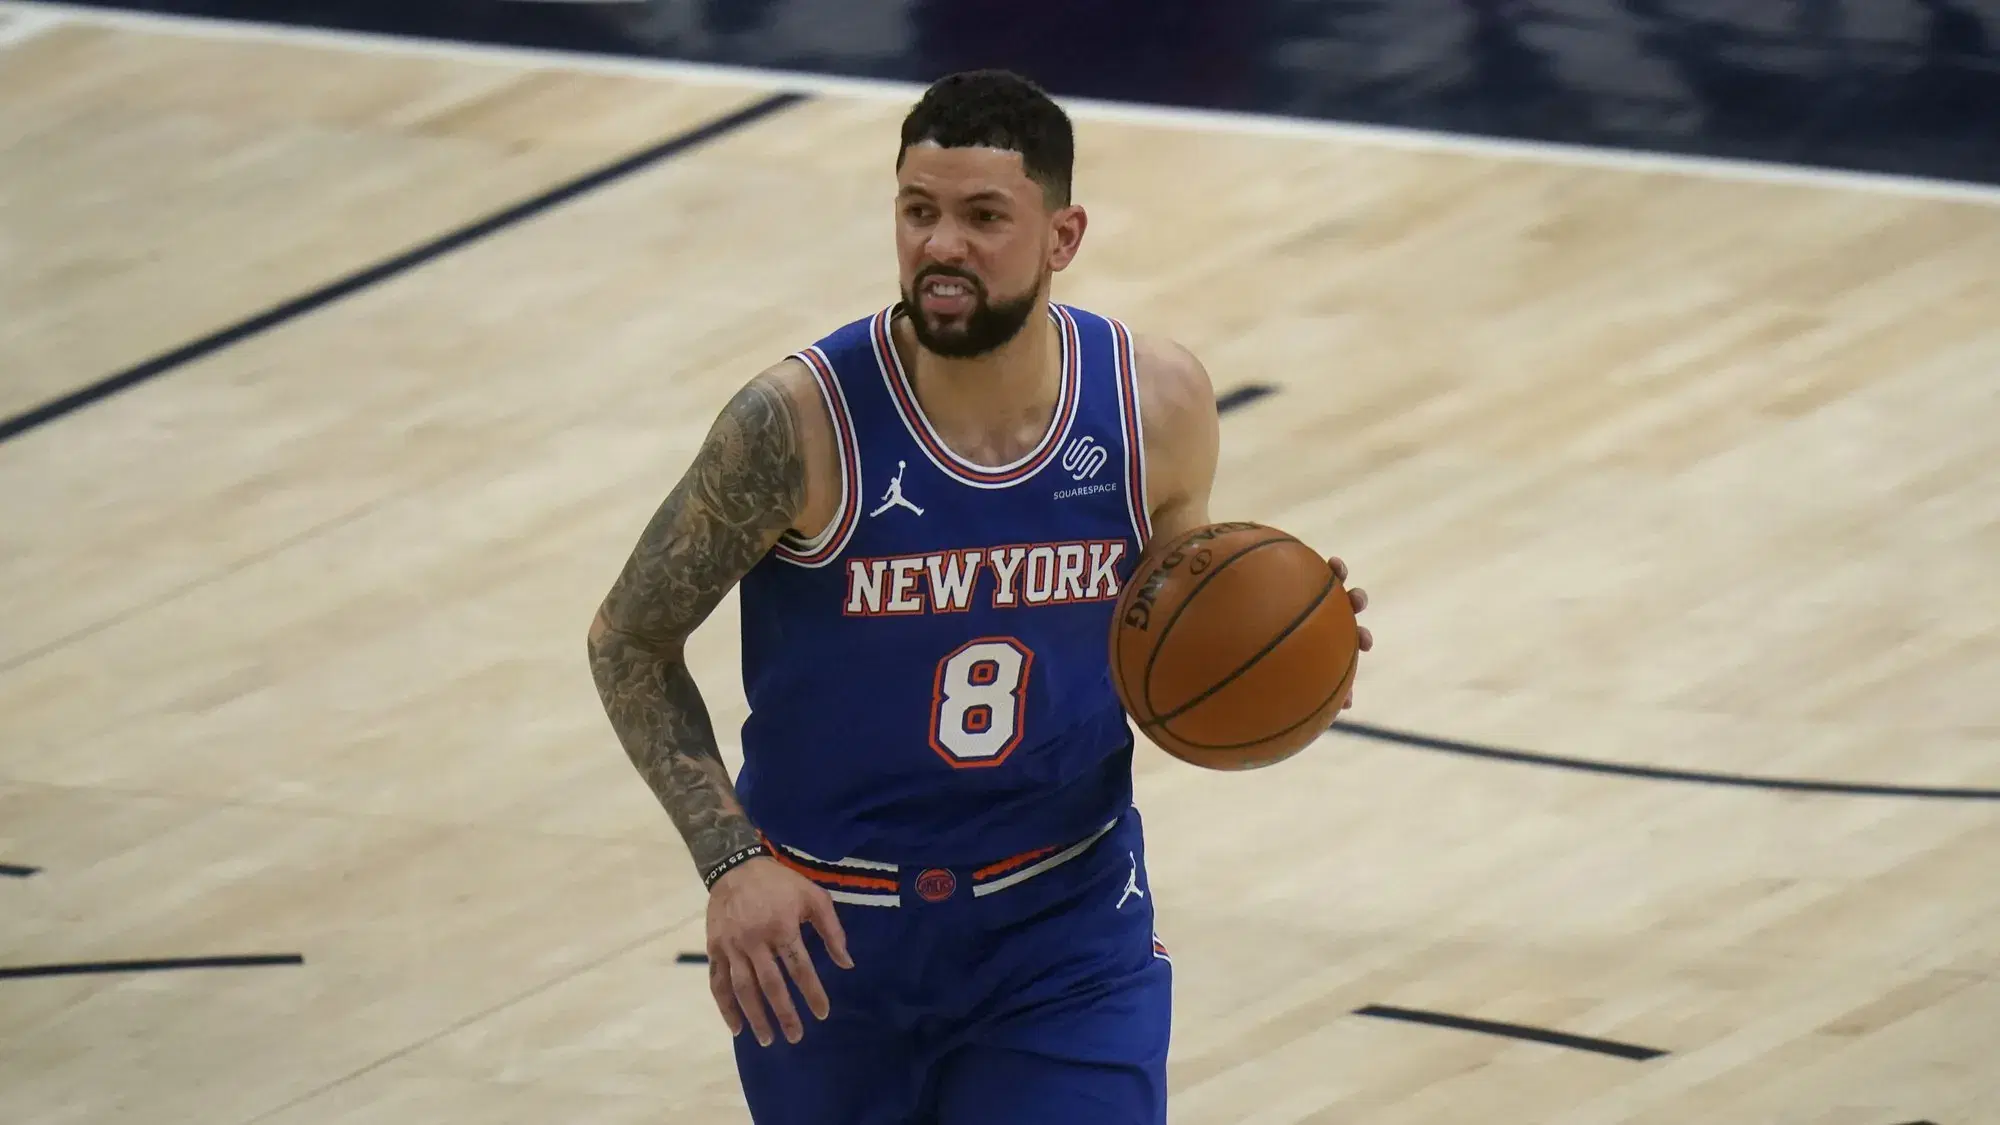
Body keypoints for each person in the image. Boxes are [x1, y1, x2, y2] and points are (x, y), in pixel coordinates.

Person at [586, 68, 1371, 1125]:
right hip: (826, 934)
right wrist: (731, 863)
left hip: (1061, 925)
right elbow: (628, 638)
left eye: (982, 217)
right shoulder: (795, 427)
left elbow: (1179, 619)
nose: (940, 244)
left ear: (1062, 235)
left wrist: (1287, 649)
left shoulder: (1153, 405)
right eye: (918, 211)